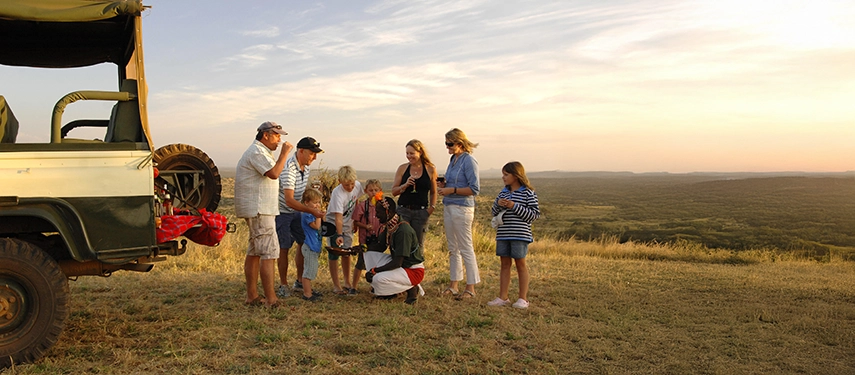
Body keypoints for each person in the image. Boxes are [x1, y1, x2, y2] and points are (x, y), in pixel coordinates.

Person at [234, 121, 292, 308]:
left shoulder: (259, 152)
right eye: (276, 136)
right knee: (269, 252)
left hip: (258, 208)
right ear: (265, 135)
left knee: (255, 251)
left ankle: (252, 296)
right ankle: (271, 299)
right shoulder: (257, 152)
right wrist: (284, 154)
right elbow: (274, 173)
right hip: (260, 209)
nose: (279, 140)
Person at [487, 162, 541, 309]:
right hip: (503, 234)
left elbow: (534, 215)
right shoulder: (503, 192)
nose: (503, 177)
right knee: (504, 265)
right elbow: (493, 211)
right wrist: (499, 204)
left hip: (520, 235)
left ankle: (522, 299)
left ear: (516, 176)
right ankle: (503, 297)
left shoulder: (528, 193)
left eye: (506, 174)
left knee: (520, 264)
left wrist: (513, 206)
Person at [276, 136, 324, 297]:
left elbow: (299, 194)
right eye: (312, 153)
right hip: (283, 211)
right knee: (284, 247)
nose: (314, 157)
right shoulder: (289, 168)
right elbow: (289, 200)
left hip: (298, 211)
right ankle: (283, 285)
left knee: (303, 242)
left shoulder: (306, 167)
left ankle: (299, 281)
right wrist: (312, 211)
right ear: (301, 151)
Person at [437, 128, 481, 300]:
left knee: (465, 247)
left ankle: (470, 287)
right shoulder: (453, 159)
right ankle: (454, 284)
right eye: (446, 144)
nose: (447, 147)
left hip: (462, 208)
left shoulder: (469, 161)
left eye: (450, 144)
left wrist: (452, 189)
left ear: (460, 143)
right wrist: (444, 185)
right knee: (452, 248)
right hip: (449, 205)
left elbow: (474, 189)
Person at [364, 196, 425, 305]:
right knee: (369, 254)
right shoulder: (390, 226)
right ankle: (391, 292)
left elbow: (398, 262)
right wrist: (362, 248)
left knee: (377, 279)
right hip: (403, 267)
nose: (376, 215)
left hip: (413, 271)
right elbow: (380, 247)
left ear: (389, 212)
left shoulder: (403, 231)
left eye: (378, 212)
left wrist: (374, 271)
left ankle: (411, 289)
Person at [391, 139, 437, 248]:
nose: (409, 156)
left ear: (420, 152)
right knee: (401, 243)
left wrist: (431, 208)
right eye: (407, 153)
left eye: (412, 153)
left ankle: (416, 265)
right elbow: (394, 192)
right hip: (403, 211)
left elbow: (433, 192)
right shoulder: (402, 168)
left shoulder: (430, 169)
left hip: (421, 212)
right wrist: (405, 185)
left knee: (417, 245)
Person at [324, 165, 363, 295]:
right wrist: (339, 234)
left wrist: (356, 221)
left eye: (352, 184)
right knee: (335, 252)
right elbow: (338, 217)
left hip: (349, 223)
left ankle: (347, 281)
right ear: (340, 181)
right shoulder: (337, 193)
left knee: (347, 252)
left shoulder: (357, 185)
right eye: (346, 185)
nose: (350, 187)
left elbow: (356, 201)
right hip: (334, 224)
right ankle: (337, 285)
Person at [350, 180, 384, 294]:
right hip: (365, 239)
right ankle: (353, 287)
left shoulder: (383, 205)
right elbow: (355, 221)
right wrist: (365, 226)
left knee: (377, 264)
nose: (373, 193)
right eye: (370, 190)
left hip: (379, 240)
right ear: (365, 191)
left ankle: (375, 286)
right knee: (360, 263)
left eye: (376, 190)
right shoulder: (362, 206)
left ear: (380, 191)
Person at [299, 188, 325, 302]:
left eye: (318, 202)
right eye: (314, 203)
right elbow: (316, 226)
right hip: (309, 246)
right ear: (306, 203)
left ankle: (309, 290)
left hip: (315, 245)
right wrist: (318, 216)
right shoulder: (307, 215)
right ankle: (307, 294)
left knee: (312, 269)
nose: (317, 205)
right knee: (308, 271)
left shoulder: (312, 214)